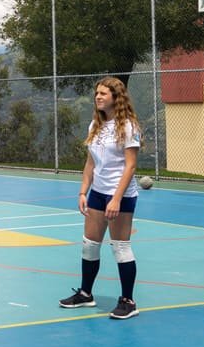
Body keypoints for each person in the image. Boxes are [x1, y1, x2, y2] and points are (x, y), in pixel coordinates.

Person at [59, 77, 143, 319]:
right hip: (97, 193)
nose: (98, 97)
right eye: (97, 93)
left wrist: (116, 199)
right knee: (89, 244)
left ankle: (128, 301)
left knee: (121, 247)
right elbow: (90, 163)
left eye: (103, 94)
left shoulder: (128, 126)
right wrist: (83, 192)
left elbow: (130, 166)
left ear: (116, 98)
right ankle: (86, 293)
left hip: (121, 195)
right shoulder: (94, 126)